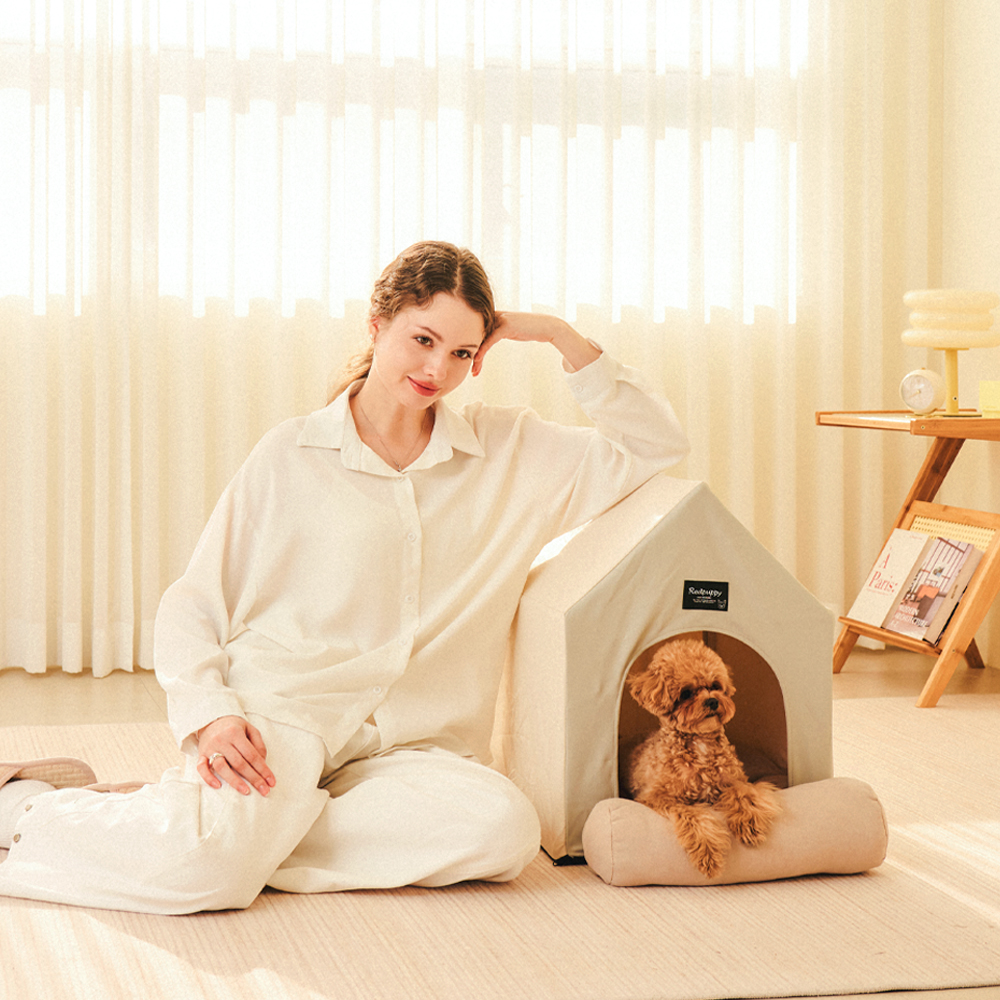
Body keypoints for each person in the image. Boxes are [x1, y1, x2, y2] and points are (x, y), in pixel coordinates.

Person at [0, 241, 689, 914]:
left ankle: (203, 827)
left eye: (461, 353)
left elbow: (656, 444)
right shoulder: (291, 455)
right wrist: (210, 716)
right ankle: (25, 809)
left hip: (418, 745)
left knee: (503, 831)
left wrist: (554, 334)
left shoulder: (512, 452)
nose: (437, 369)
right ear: (377, 323)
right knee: (209, 881)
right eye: (422, 340)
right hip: (288, 712)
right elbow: (195, 601)